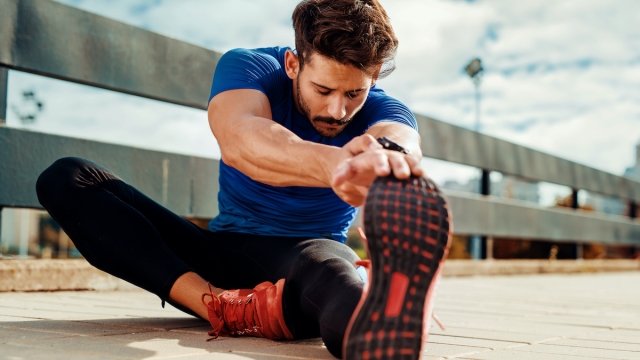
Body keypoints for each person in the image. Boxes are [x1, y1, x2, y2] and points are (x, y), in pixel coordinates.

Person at [35, 0, 451, 358]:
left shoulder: (387, 110)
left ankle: (386, 313)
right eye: (323, 90)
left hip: (308, 256)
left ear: (374, 76)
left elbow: (401, 144)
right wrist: (337, 163)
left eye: (354, 95)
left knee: (345, 293)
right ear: (293, 63)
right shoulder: (250, 67)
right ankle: (219, 307)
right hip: (219, 253)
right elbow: (241, 138)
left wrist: (387, 164)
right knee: (68, 178)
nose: (338, 111)